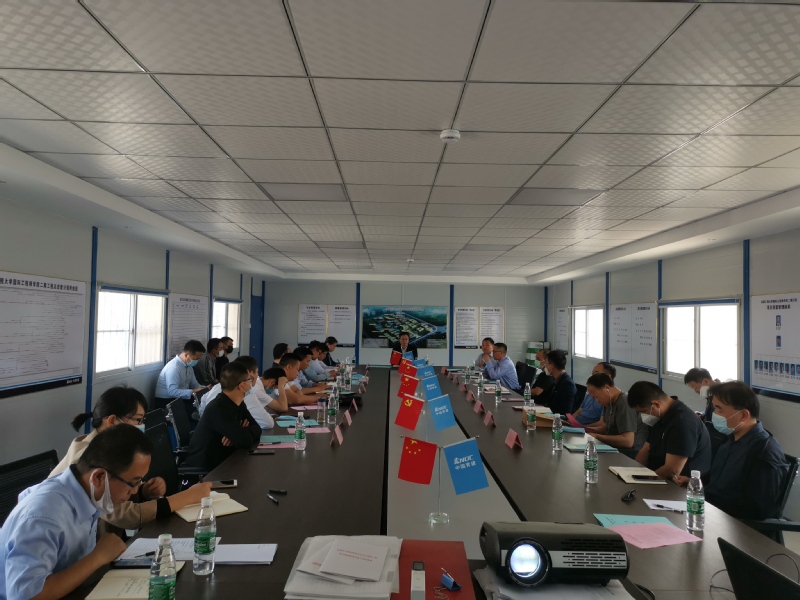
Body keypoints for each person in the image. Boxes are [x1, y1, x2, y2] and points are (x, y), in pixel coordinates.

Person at [0, 425, 151, 600]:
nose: (134, 491)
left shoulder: (86, 493)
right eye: (132, 483)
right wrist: (98, 557)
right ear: (99, 477)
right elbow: (26, 596)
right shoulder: (45, 515)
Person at [50, 387, 211, 530]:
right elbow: (126, 516)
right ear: (112, 421)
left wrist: (143, 490)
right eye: (138, 420)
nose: (142, 426)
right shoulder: (90, 457)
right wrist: (187, 497)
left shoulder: (111, 446)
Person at [701, 381, 790, 520]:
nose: (714, 414)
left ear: (743, 415)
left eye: (719, 409)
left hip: (736, 525)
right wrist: (694, 482)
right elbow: (717, 481)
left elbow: (760, 511)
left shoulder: (763, 452)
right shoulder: (731, 439)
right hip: (712, 512)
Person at [183, 362, 262, 472]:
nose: (251, 384)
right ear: (242, 385)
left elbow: (257, 429)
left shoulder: (238, 403)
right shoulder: (218, 409)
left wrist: (238, 433)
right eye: (249, 380)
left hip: (224, 459)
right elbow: (245, 441)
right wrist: (239, 434)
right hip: (207, 469)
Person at [627, 381, 712, 481]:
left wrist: (643, 481)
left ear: (656, 404)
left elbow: (672, 470)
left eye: (643, 411)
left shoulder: (683, 423)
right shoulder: (658, 416)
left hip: (679, 484)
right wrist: (633, 474)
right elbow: (646, 449)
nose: (643, 415)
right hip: (656, 475)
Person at [199, 356, 281, 429]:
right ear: (250, 373)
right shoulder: (245, 392)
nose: (257, 376)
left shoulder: (217, 387)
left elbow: (202, 406)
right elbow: (267, 423)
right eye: (257, 372)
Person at [583, 373, 647, 458]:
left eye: (596, 397)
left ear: (607, 388)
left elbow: (628, 441)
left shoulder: (624, 403)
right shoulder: (609, 402)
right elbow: (607, 428)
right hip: (613, 447)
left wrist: (597, 436)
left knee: (588, 456)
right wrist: (585, 430)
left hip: (628, 453)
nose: (597, 401)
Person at [154, 339, 209, 411]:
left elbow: (194, 384)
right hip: (166, 401)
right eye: (196, 359)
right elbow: (173, 392)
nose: (197, 361)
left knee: (205, 403)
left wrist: (204, 389)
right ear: (186, 355)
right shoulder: (173, 367)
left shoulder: (189, 366)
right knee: (195, 410)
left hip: (180, 398)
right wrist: (193, 391)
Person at [684, 367, 727, 456]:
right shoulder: (711, 394)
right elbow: (711, 410)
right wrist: (703, 414)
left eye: (694, 387)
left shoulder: (723, 395)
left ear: (706, 381)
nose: (695, 391)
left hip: (720, 439)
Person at [542, 349, 576, 416]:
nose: (545, 367)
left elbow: (565, 413)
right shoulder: (556, 380)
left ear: (552, 366)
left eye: (546, 364)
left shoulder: (567, 384)